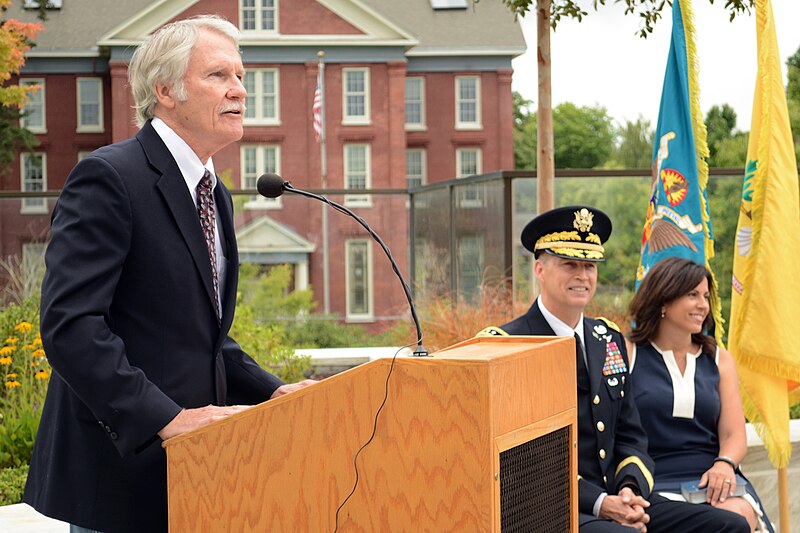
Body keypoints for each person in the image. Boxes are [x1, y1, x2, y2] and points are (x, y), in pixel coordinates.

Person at [24, 16, 315, 533]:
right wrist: (168, 419)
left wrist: (271, 392)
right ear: (165, 90)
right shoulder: (110, 178)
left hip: (198, 472)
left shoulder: (213, 190)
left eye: (241, 76)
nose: (239, 91)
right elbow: (71, 327)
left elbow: (201, 335)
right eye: (219, 76)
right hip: (119, 476)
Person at [479, 206, 749, 532]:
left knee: (728, 526)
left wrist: (630, 490)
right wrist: (600, 502)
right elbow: (521, 459)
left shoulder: (606, 339)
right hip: (551, 508)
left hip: (613, 496)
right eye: (569, 265)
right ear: (539, 270)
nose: (582, 275)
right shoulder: (508, 345)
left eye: (590, 265)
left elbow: (630, 434)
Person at [628, 257, 772, 532]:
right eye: (692, 295)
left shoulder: (719, 359)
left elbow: (733, 434)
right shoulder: (629, 353)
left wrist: (725, 464)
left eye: (705, 296)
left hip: (713, 477)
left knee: (737, 517)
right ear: (663, 301)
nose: (703, 305)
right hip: (651, 480)